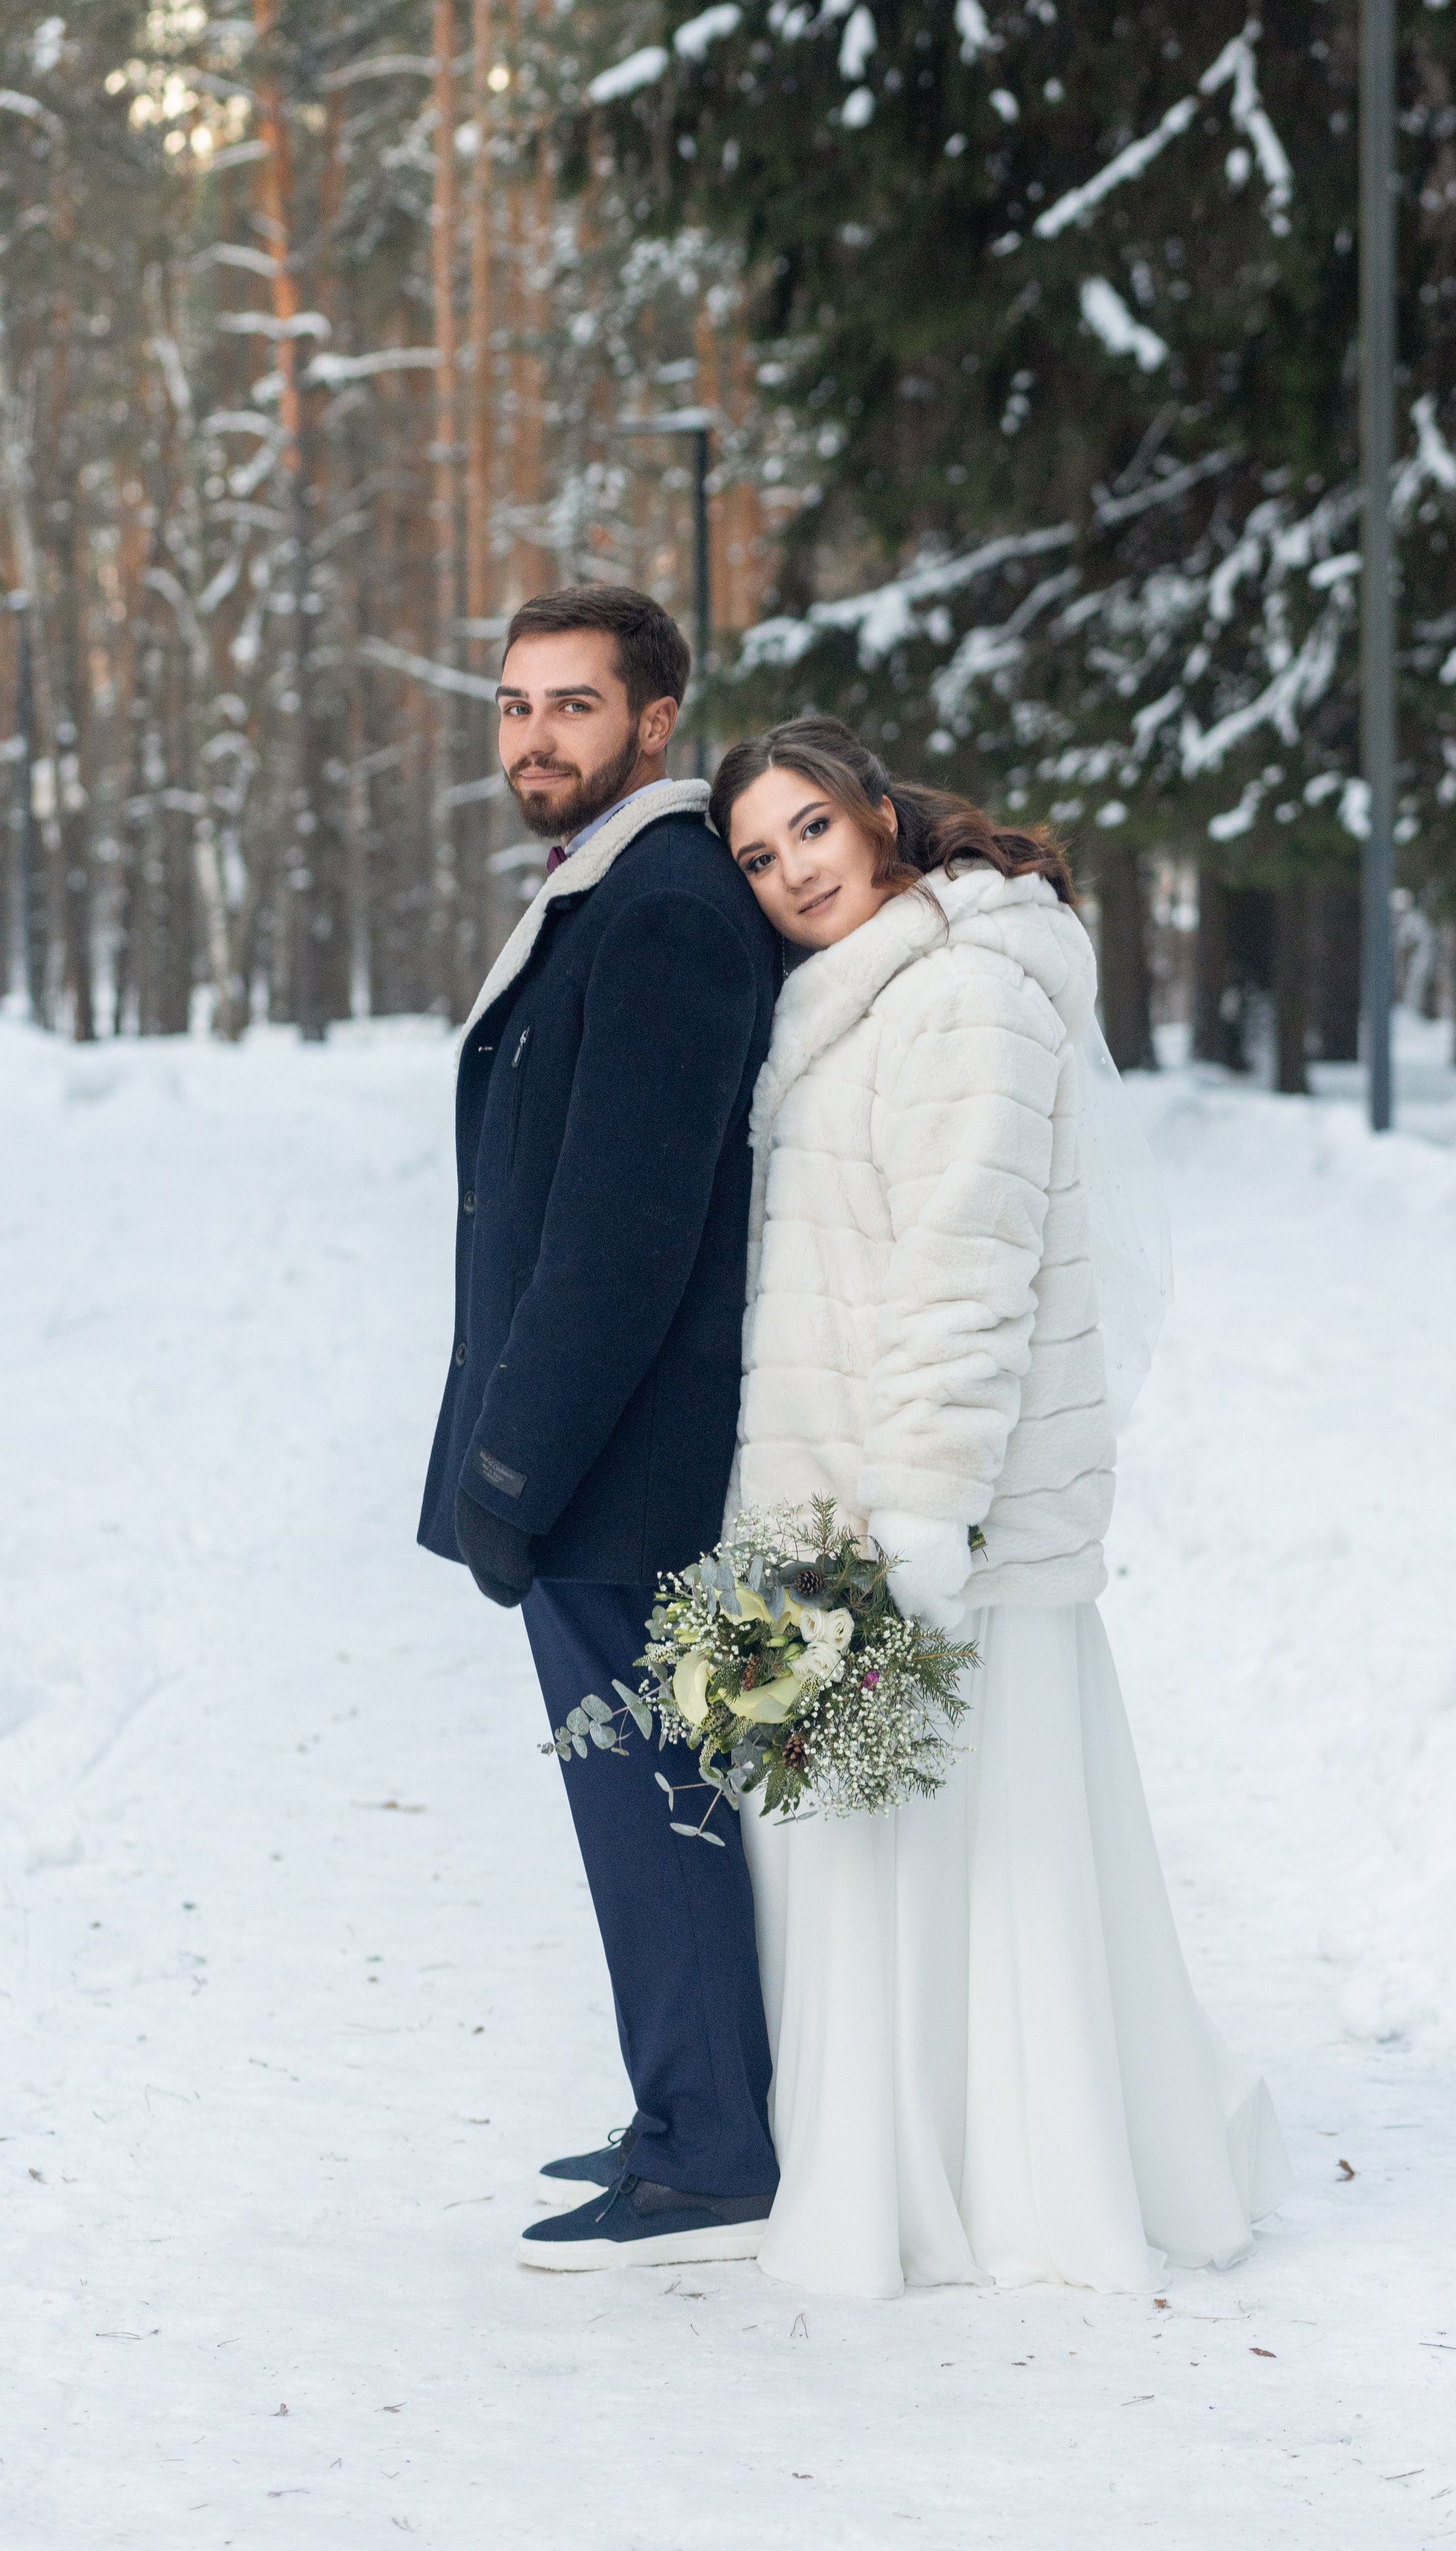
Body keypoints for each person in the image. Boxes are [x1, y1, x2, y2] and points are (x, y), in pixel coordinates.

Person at [711, 716, 1293, 2297]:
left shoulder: (960, 991)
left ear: (877, 812)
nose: (788, 876)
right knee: (889, 1862)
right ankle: (913, 2159)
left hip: (929, 1517)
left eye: (808, 833)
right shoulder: (862, 991)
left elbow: (965, 1273)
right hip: (847, 1492)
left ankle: (1001, 2183)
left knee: (965, 1861)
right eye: (758, 859)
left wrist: (918, 1517)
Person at [418, 585, 783, 2272]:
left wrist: (513, 1468)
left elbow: (622, 1234)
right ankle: (681, 2106)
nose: (534, 737)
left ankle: (713, 2146)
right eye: (512, 705)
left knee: (657, 1808)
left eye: (573, 706)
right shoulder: (615, 889)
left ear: (655, 722)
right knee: (639, 1806)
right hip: (593, 1463)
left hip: (618, 1474)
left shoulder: (662, 908)